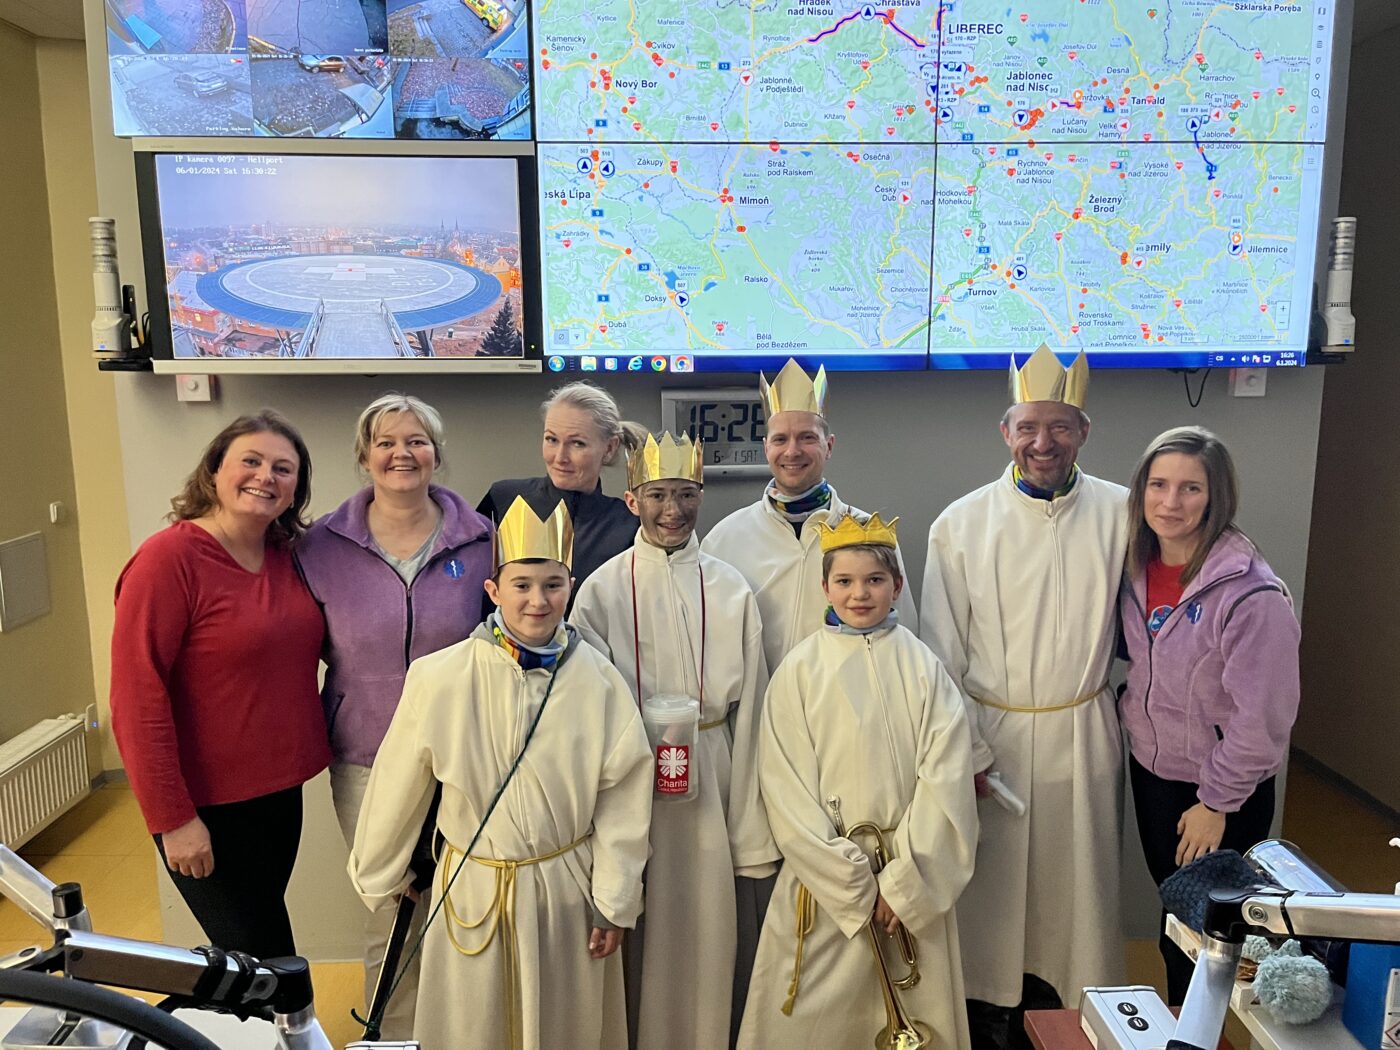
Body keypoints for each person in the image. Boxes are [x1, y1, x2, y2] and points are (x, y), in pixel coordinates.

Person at [348, 495, 653, 1050]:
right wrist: (383, 873)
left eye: (553, 585)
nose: (538, 600)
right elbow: (398, 783)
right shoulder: (441, 677)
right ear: (493, 590)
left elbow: (623, 798)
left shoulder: (599, 680)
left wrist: (614, 901)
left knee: (560, 1026)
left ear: (571, 587)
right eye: (522, 585)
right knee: (475, 1025)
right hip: (473, 887)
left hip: (563, 889)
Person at [918, 345, 1128, 1046]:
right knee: (994, 900)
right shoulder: (960, 524)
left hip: (1083, 730)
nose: (1044, 443)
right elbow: (941, 652)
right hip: (993, 738)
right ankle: (990, 1021)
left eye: (1060, 426)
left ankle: (1076, 1019)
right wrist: (968, 751)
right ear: (1005, 432)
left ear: (1083, 432)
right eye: (1029, 427)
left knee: (1078, 896)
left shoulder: (1123, 514)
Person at [739, 512, 978, 1050]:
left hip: (909, 877)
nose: (859, 594)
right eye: (844, 581)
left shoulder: (924, 668)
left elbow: (945, 779)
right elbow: (786, 789)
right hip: (825, 880)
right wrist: (851, 883)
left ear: (897, 585)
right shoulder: (799, 672)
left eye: (874, 580)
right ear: (824, 587)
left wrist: (904, 883)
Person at [296, 393, 493, 1039]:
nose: (401, 454)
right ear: (364, 456)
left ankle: (460, 1032)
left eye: (416, 441)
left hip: (464, 757)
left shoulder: (483, 541)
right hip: (366, 757)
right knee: (390, 903)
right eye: (385, 442)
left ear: (436, 453)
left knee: (465, 900)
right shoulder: (319, 546)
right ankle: (392, 1036)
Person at [572, 432, 778, 1050]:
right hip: (630, 771)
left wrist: (750, 824)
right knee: (635, 913)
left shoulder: (731, 587)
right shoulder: (601, 590)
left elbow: (754, 705)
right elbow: (584, 705)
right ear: (632, 499)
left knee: (707, 922)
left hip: (712, 768)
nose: (673, 510)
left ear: (702, 496)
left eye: (686, 494)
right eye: (658, 494)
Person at [110, 410, 330, 961]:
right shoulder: (167, 560)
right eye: (250, 461)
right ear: (214, 471)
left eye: (283, 468)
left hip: (278, 795)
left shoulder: (285, 555)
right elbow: (136, 699)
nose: (265, 476)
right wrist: (173, 819)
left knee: (250, 955)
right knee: (265, 963)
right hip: (204, 805)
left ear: (296, 488)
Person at [1119, 426, 1300, 1004]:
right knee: (1175, 919)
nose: (1170, 502)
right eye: (1159, 485)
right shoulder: (1134, 568)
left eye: (1190, 488)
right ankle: (1182, 1025)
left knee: (1216, 936)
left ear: (1216, 497)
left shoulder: (1250, 594)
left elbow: (1263, 720)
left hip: (1219, 790)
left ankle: (1206, 1033)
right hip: (1155, 774)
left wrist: (1217, 803)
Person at [702, 358, 918, 676]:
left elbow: (904, 637)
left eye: (807, 437)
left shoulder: (870, 534)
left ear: (828, 446)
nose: (792, 451)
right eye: (780, 439)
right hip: (758, 701)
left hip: (845, 700)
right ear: (765, 448)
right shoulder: (724, 540)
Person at [478, 381, 644, 600]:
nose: (560, 457)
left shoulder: (630, 524)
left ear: (609, 448)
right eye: (551, 439)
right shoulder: (503, 500)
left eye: (577, 443)